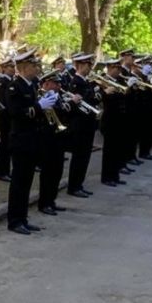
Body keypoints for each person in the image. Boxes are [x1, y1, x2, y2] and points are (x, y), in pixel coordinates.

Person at [6, 50, 53, 235]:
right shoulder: (14, 87)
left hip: (32, 139)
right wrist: (38, 107)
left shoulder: (31, 85)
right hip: (20, 140)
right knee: (18, 183)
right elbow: (16, 113)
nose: (37, 68)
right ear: (24, 67)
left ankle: (23, 218)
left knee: (26, 183)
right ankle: (14, 220)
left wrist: (44, 104)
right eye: (34, 65)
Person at [36, 69, 70, 216]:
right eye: (56, 83)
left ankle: (52, 200)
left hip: (59, 138)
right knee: (48, 172)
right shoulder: (41, 97)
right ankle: (44, 203)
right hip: (47, 138)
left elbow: (63, 113)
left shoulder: (58, 96)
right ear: (47, 83)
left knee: (57, 171)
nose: (58, 86)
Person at [66, 53, 99, 198]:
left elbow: (93, 98)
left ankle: (79, 184)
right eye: (87, 65)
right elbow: (76, 105)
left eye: (90, 65)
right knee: (79, 157)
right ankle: (74, 186)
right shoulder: (75, 82)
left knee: (85, 156)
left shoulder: (86, 81)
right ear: (79, 65)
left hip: (88, 124)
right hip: (80, 124)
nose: (90, 68)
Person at [99, 58, 129, 187]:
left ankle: (115, 175)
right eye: (116, 69)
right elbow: (102, 99)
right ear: (110, 68)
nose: (118, 71)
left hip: (120, 119)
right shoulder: (102, 81)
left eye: (120, 69)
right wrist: (106, 93)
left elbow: (125, 96)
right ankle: (107, 177)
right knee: (109, 151)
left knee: (118, 149)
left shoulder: (119, 81)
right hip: (109, 119)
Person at [0, 58, 15, 183]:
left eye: (13, 66)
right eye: (10, 67)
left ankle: (6, 170)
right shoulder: (2, 82)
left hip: (10, 118)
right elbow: (3, 102)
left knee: (9, 146)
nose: (13, 69)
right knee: (4, 146)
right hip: (5, 117)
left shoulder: (11, 81)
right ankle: (2, 172)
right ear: (4, 68)